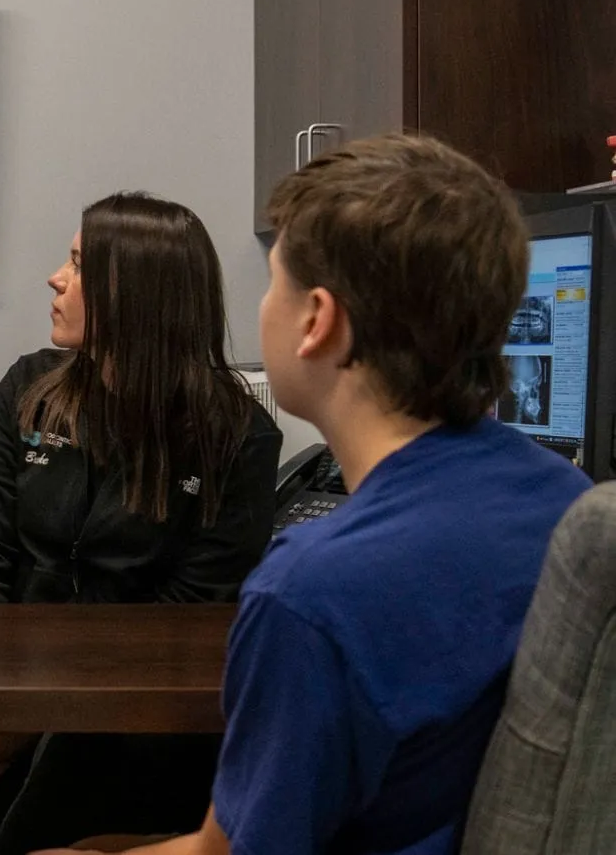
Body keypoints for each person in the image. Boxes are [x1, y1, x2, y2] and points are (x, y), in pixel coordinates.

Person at [36, 134, 591, 855]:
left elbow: (226, 850)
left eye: (272, 281)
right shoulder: (569, 501)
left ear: (316, 320)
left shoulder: (308, 592)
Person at [0, 193, 282, 855]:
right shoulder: (28, 388)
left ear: (135, 293)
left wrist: (36, 719)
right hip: (18, 693)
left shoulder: (235, 433)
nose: (55, 277)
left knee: (43, 813)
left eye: (79, 264)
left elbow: (190, 613)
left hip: (144, 720)